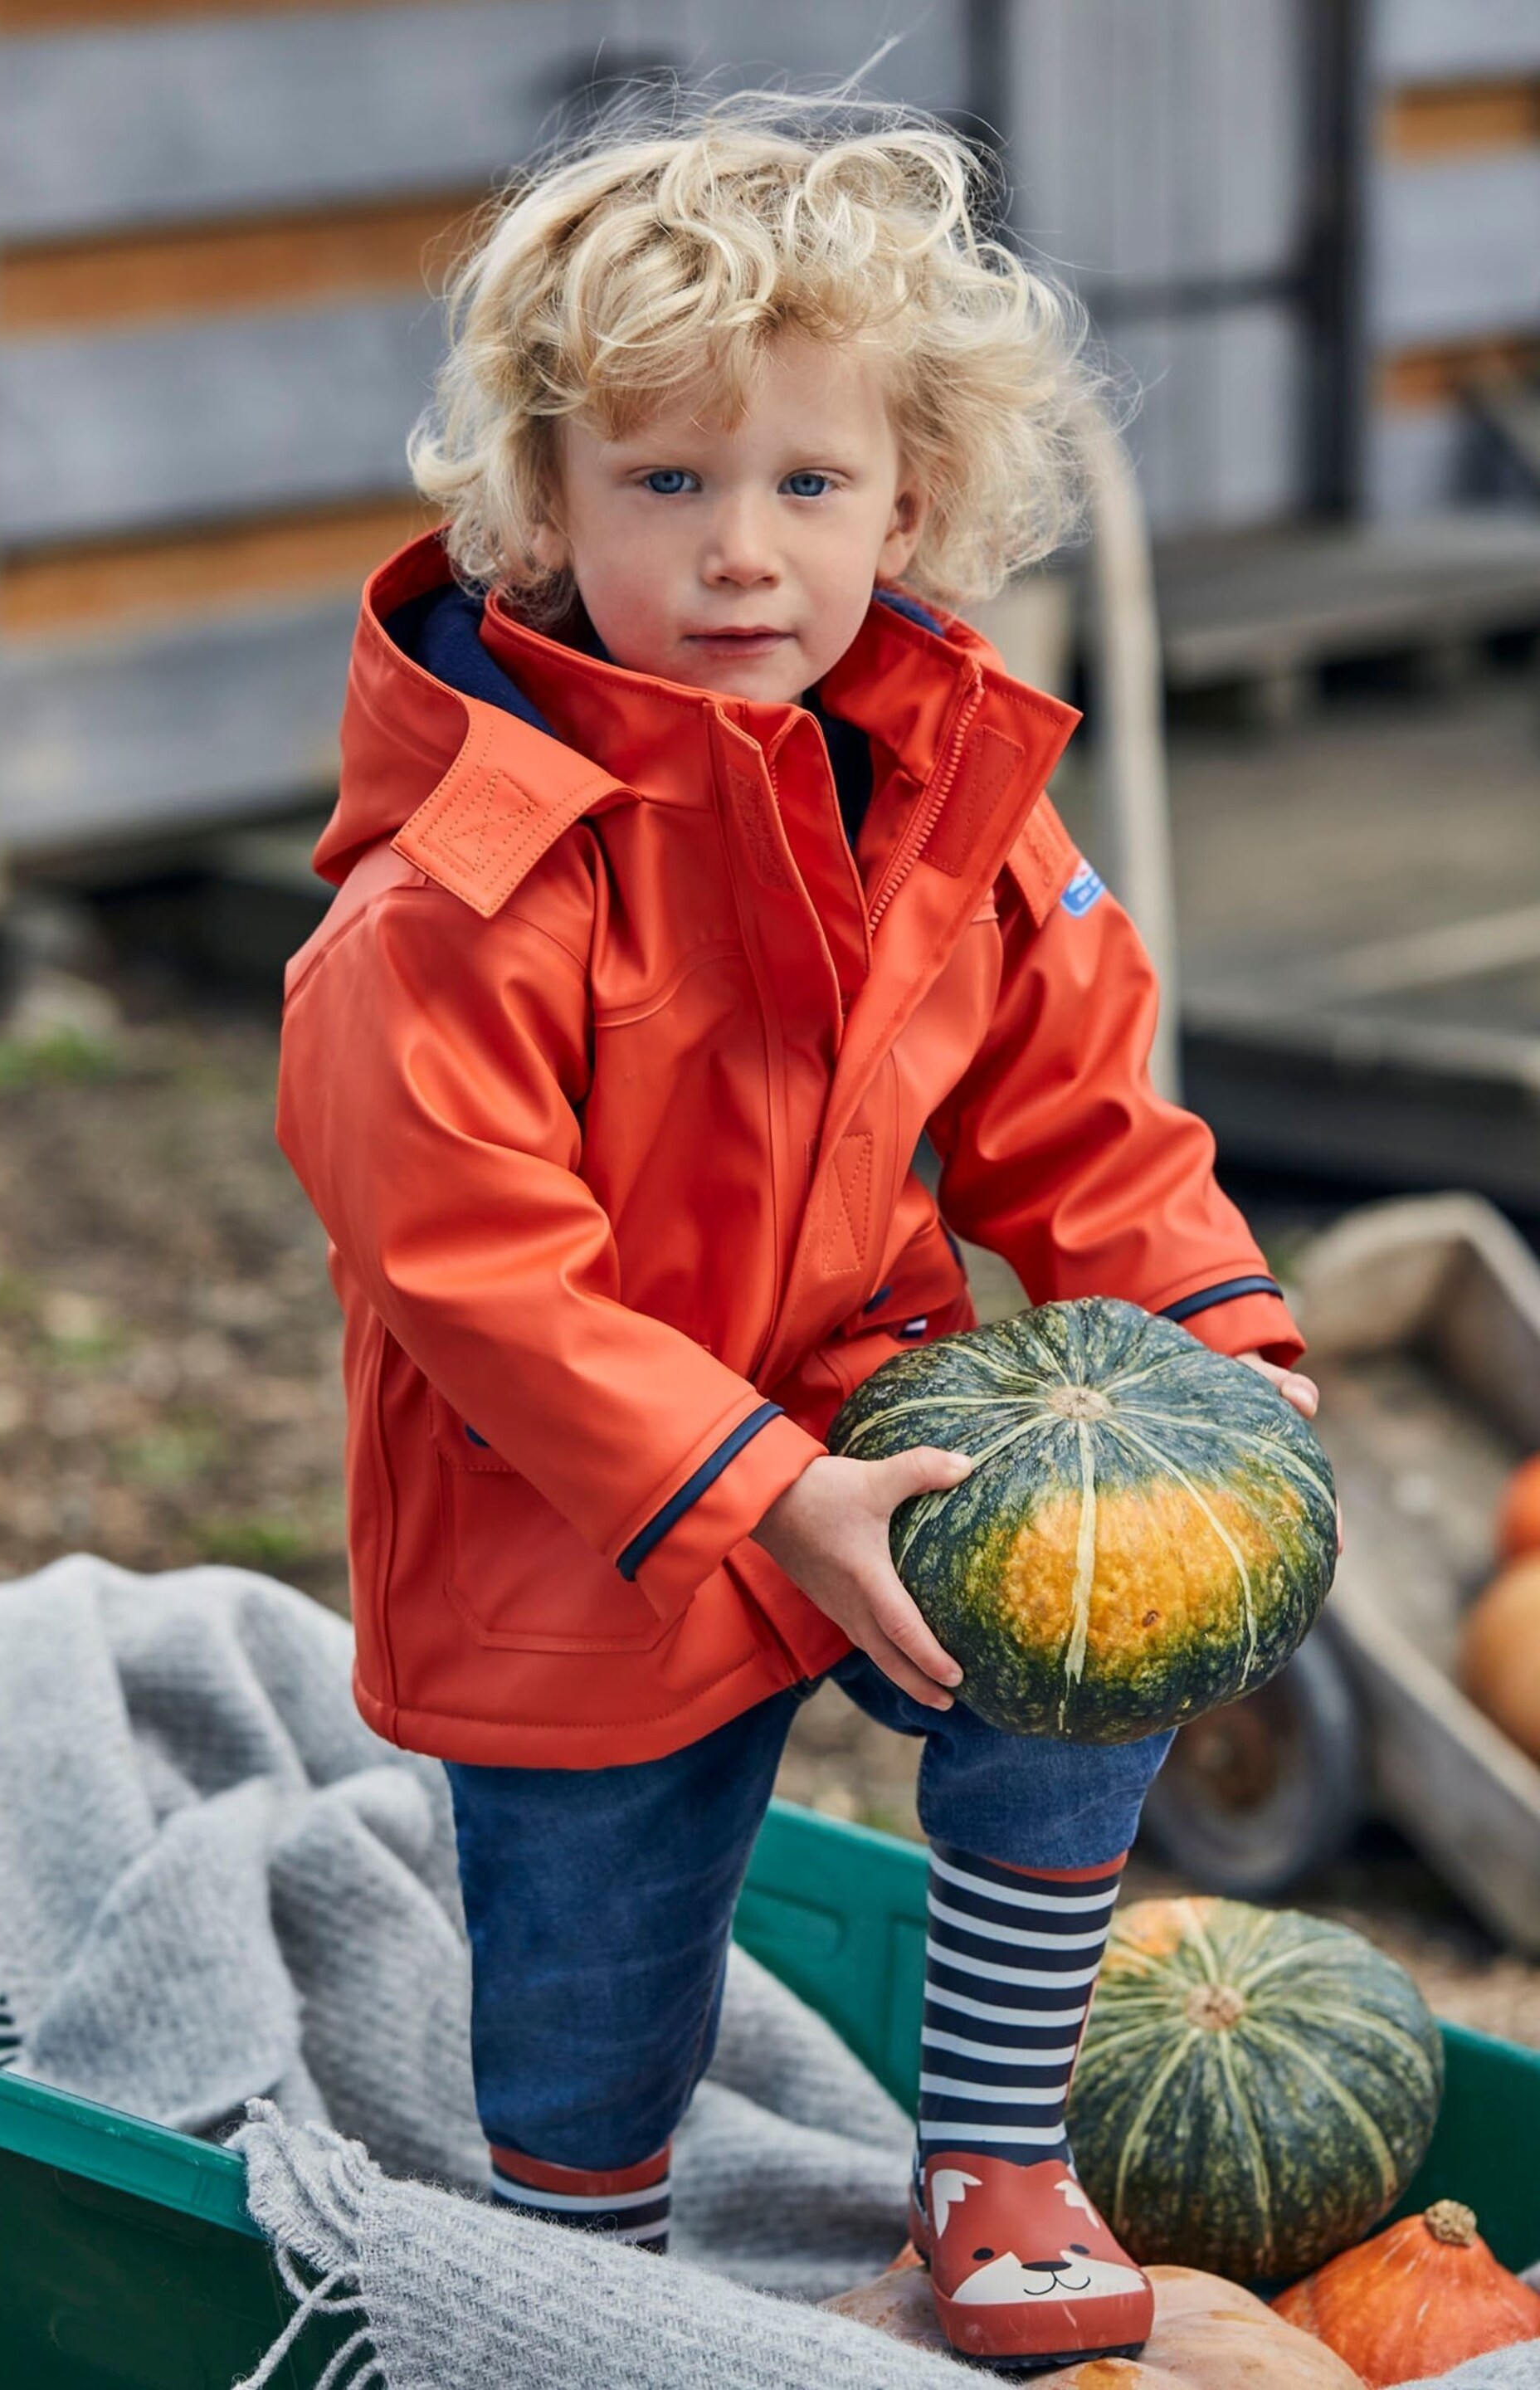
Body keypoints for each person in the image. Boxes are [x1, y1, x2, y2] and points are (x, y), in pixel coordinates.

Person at [275, 90, 1315, 2368]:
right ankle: (580, 2269)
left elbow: (1085, 1110)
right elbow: (477, 1276)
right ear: (542, 509)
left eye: (807, 484)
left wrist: (1222, 1350)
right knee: (595, 1990)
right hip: (568, 1515)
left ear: (909, 502)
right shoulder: (449, 905)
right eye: (667, 482)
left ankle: (993, 2155)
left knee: (1095, 1619)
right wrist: (767, 1496)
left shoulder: (952, 798)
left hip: (868, 1400)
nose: (743, 550)